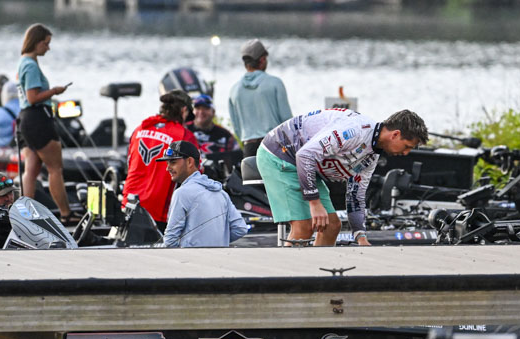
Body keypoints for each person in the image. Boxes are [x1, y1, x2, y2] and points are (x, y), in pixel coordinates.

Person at [257, 108, 428, 246]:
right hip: (279, 154)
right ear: (395, 134)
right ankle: (291, 275)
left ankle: (317, 273)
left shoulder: (371, 156)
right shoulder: (354, 131)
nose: (406, 153)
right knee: (304, 226)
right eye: (407, 146)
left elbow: (356, 196)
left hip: (306, 165)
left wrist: (360, 235)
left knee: (331, 226)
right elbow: (305, 155)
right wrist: (314, 203)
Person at [17, 23, 72, 222]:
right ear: (36, 42)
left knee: (30, 171)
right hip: (38, 118)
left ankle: (25, 216)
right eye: (46, 43)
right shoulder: (31, 65)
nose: (48, 48)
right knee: (55, 169)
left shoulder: (23, 62)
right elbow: (33, 97)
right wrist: (55, 91)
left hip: (26, 119)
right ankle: (66, 214)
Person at [122, 89, 200, 228]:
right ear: (183, 111)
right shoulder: (184, 136)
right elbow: (195, 175)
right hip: (159, 213)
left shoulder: (139, 129)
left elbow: (129, 164)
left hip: (129, 206)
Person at [159, 141, 247, 248]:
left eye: (173, 162)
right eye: (167, 163)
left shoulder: (181, 193)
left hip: (192, 258)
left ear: (190, 162)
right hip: (219, 257)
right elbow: (240, 229)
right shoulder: (221, 193)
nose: (168, 168)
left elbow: (170, 240)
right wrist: (216, 242)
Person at [228, 39, 292, 158]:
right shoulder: (275, 83)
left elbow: (236, 128)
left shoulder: (234, 90)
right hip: (274, 147)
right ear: (262, 60)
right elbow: (287, 121)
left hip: (249, 148)